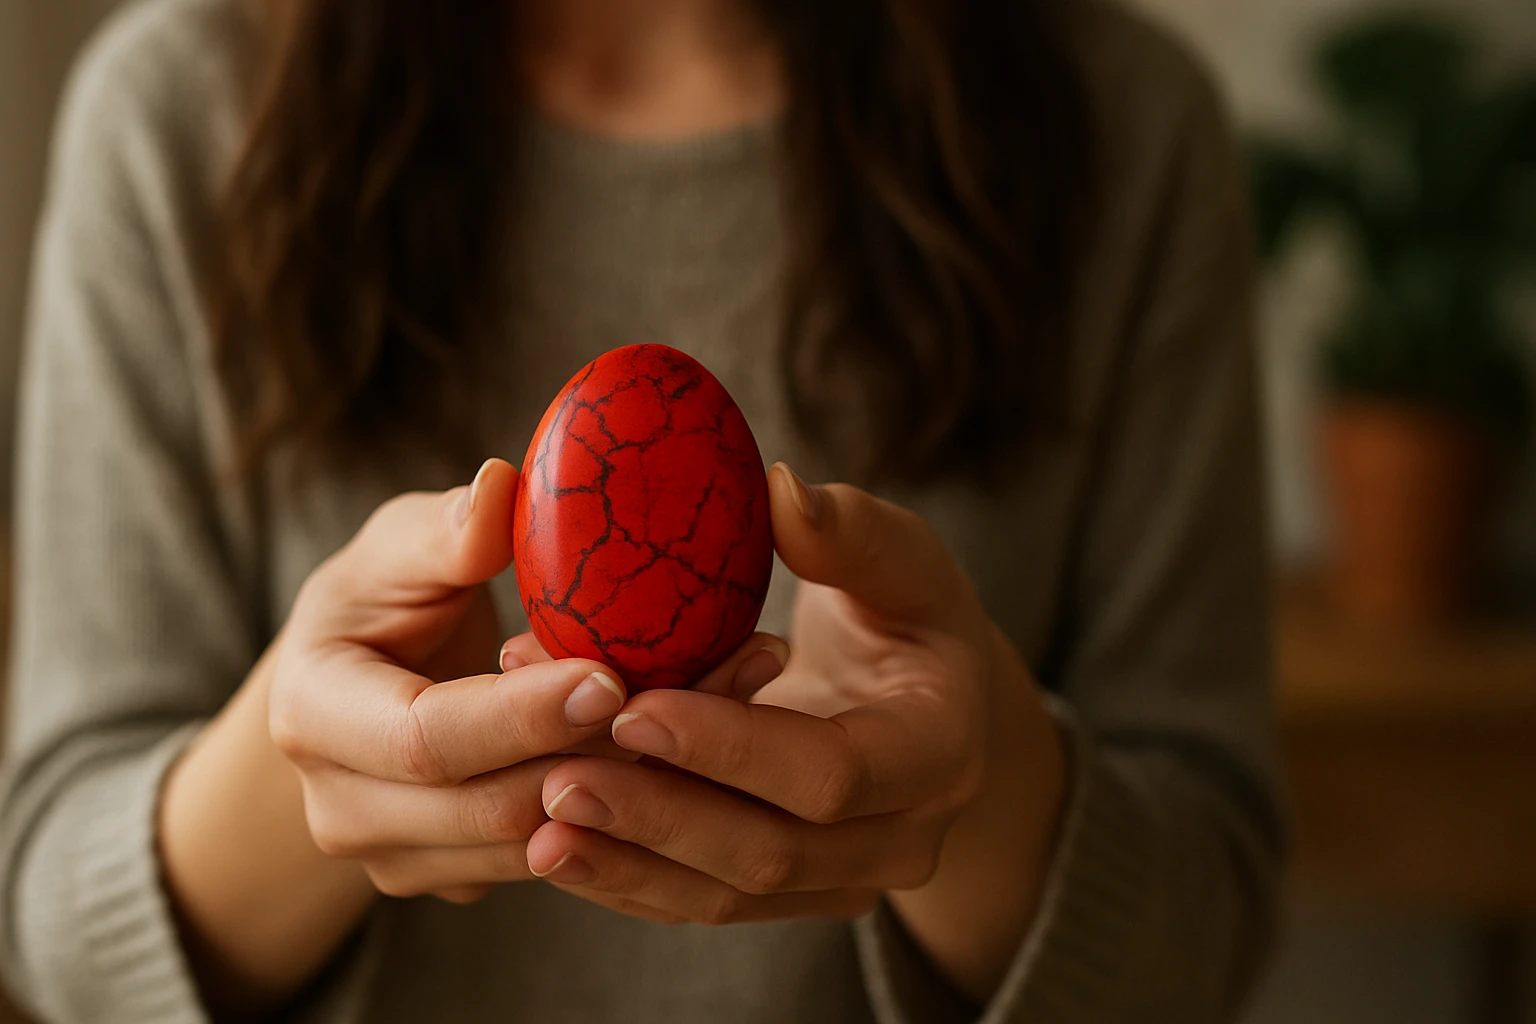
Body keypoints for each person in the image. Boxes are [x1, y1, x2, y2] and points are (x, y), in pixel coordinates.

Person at [0, 0, 1283, 1021]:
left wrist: (980, 770)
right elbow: (52, 921)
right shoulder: (190, 112)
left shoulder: (1118, 128)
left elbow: (1207, 923)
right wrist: (307, 768)